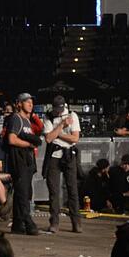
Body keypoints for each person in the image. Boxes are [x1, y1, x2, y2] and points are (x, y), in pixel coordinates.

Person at [42, 95, 81, 233]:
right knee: (53, 190)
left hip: (69, 154)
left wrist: (57, 134)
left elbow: (75, 138)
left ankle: (76, 222)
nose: (59, 111)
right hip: (54, 154)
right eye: (56, 109)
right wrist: (62, 125)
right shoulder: (48, 117)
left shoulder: (72, 115)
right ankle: (54, 222)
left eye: (61, 108)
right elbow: (48, 139)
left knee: (72, 189)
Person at [5, 92, 41, 235]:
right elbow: (11, 139)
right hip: (19, 161)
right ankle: (28, 222)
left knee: (25, 192)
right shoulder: (16, 118)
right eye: (27, 102)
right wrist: (28, 144)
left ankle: (18, 225)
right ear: (19, 104)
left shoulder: (27, 120)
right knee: (22, 193)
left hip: (26, 161)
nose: (31, 104)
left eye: (31, 102)